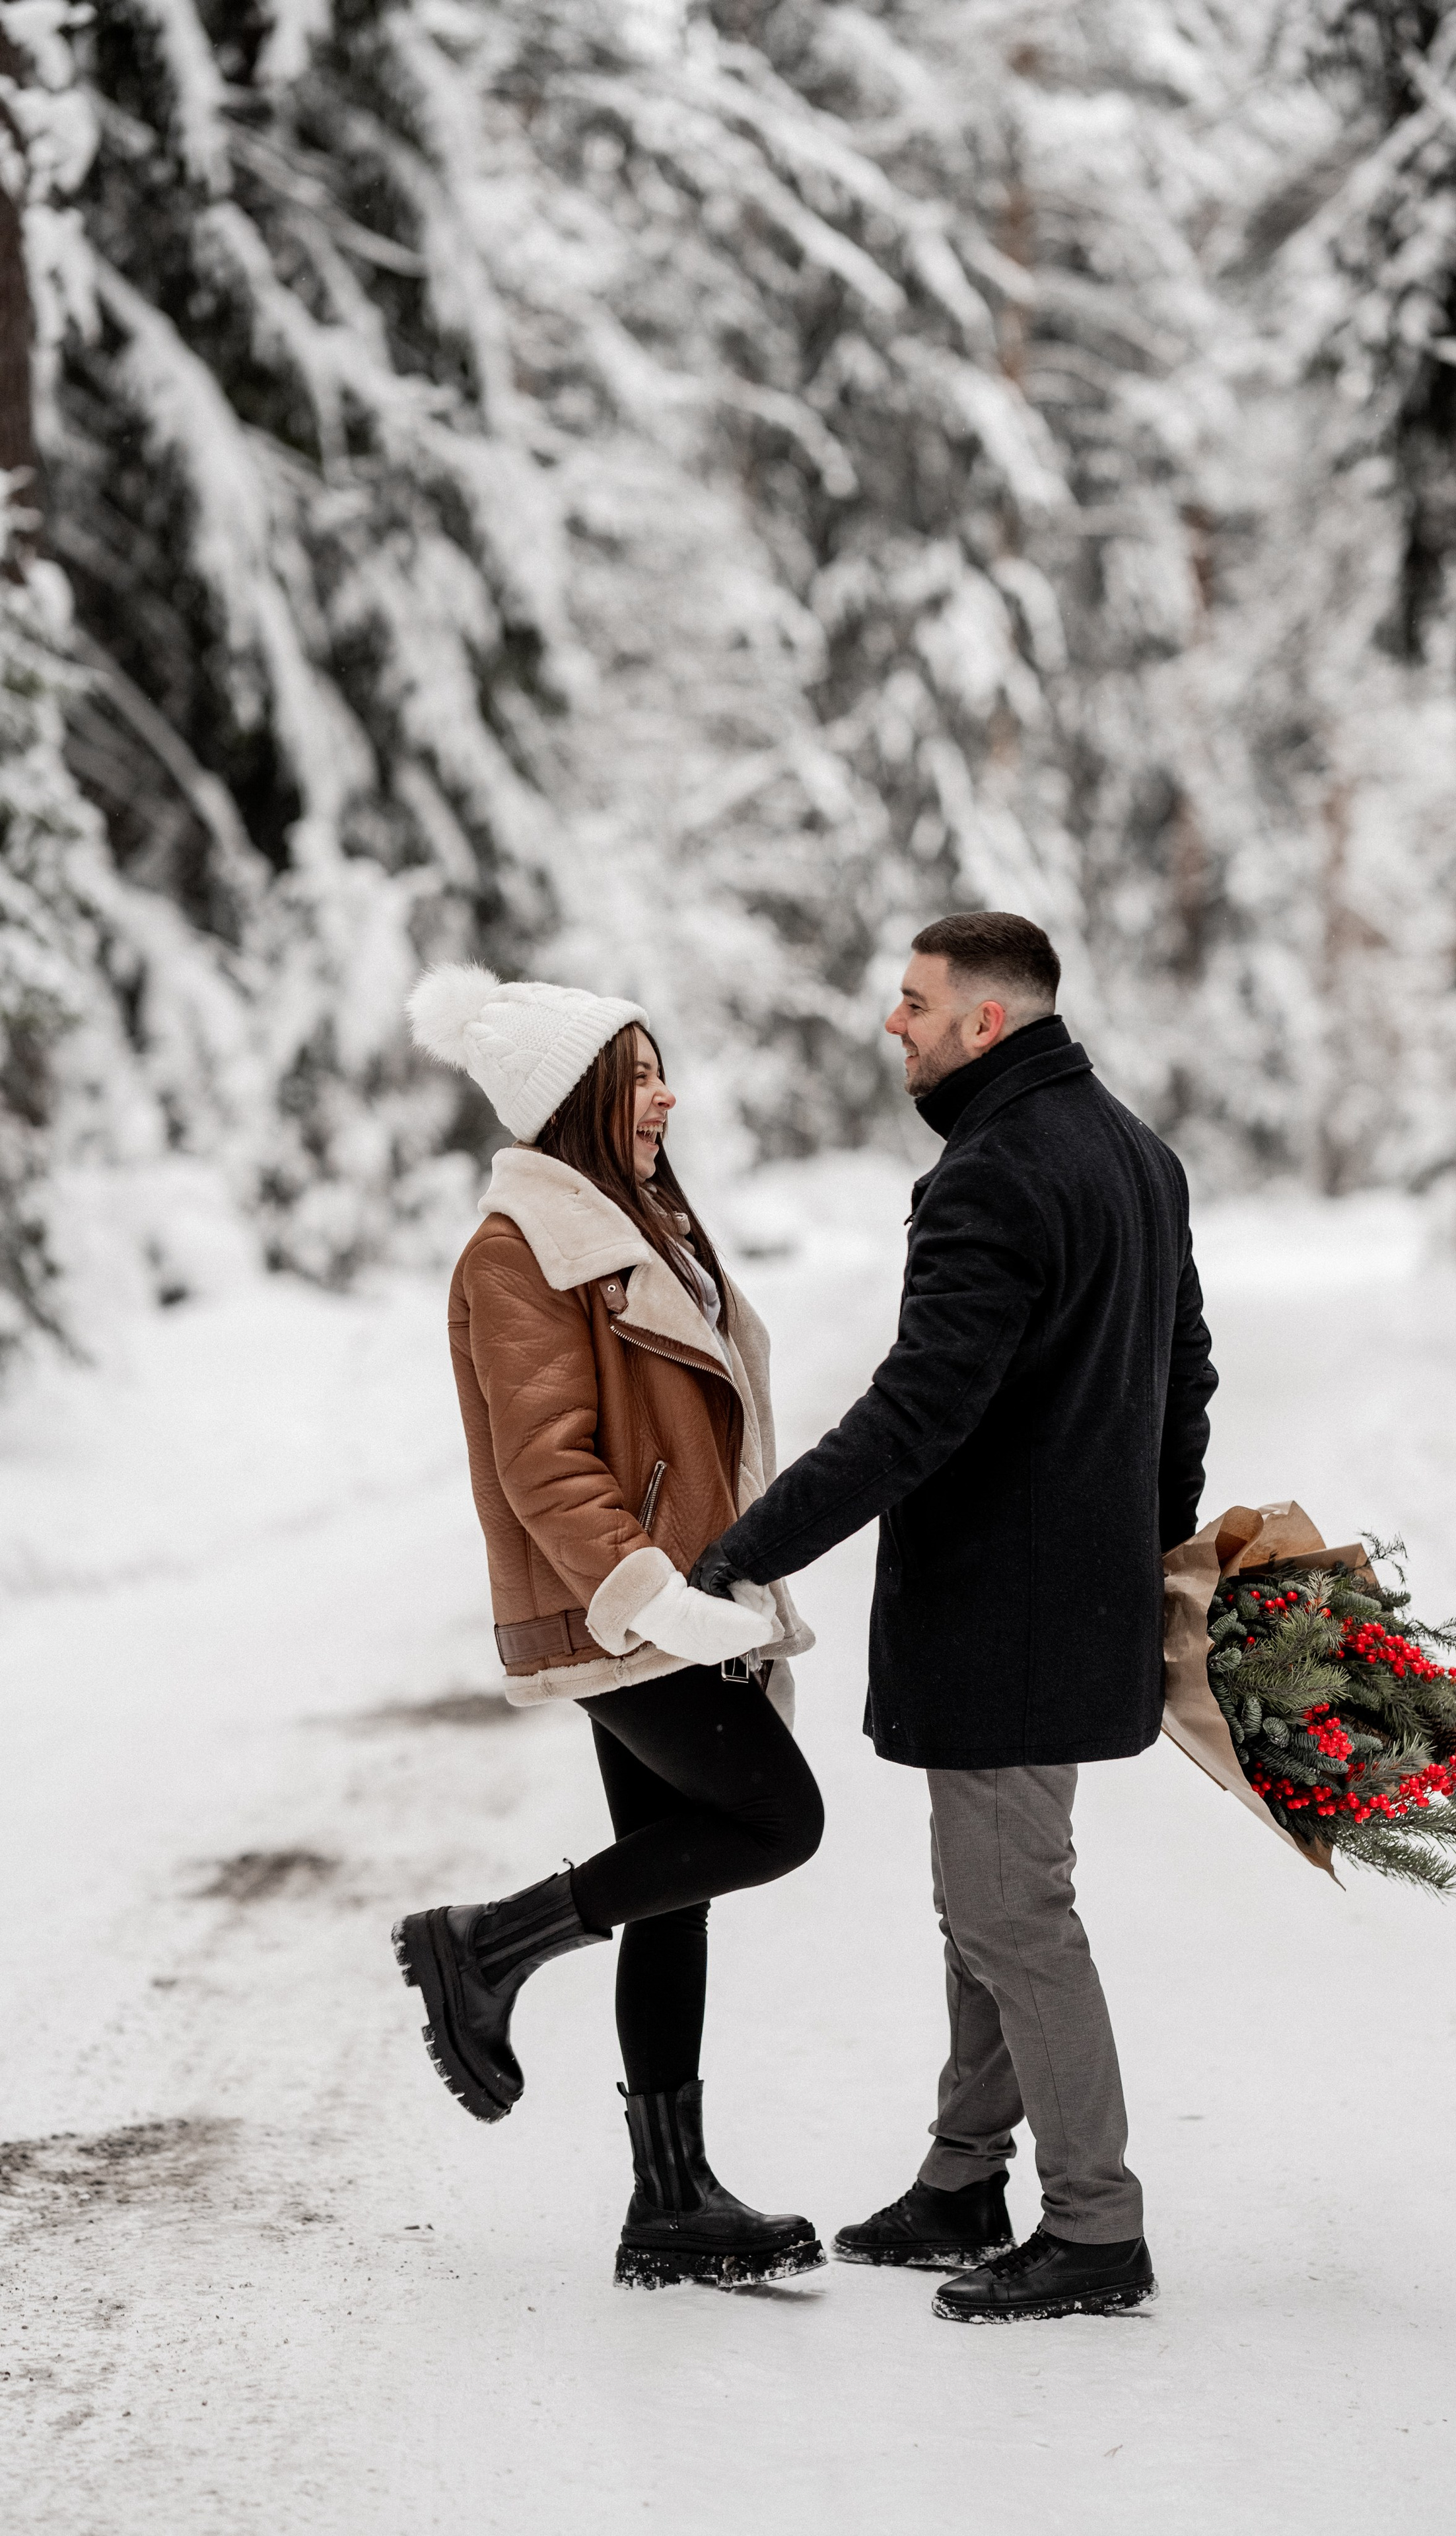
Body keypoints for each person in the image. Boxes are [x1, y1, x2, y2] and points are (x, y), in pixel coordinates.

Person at [691, 911, 1217, 2323]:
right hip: (1073, 1601)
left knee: (1009, 1911)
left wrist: (749, 1547)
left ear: (987, 1023)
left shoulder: (993, 1174)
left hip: (1002, 1611)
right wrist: (1146, 1544)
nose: (892, 1024)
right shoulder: (1131, 1152)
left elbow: (920, 1410)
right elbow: (1187, 1377)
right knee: (982, 1906)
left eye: (913, 1003)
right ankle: (958, 2180)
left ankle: (1095, 2228)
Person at [393, 964, 825, 2291]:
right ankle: (484, 1946)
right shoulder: (522, 1251)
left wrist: (720, 1592)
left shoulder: (632, 1226)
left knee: (675, 1876)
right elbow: (546, 1463)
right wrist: (653, 1596)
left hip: (686, 1601)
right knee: (773, 1821)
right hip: (626, 1607)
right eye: (640, 1081)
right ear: (577, 1099)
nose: (666, 1100)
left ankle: (670, 2202)